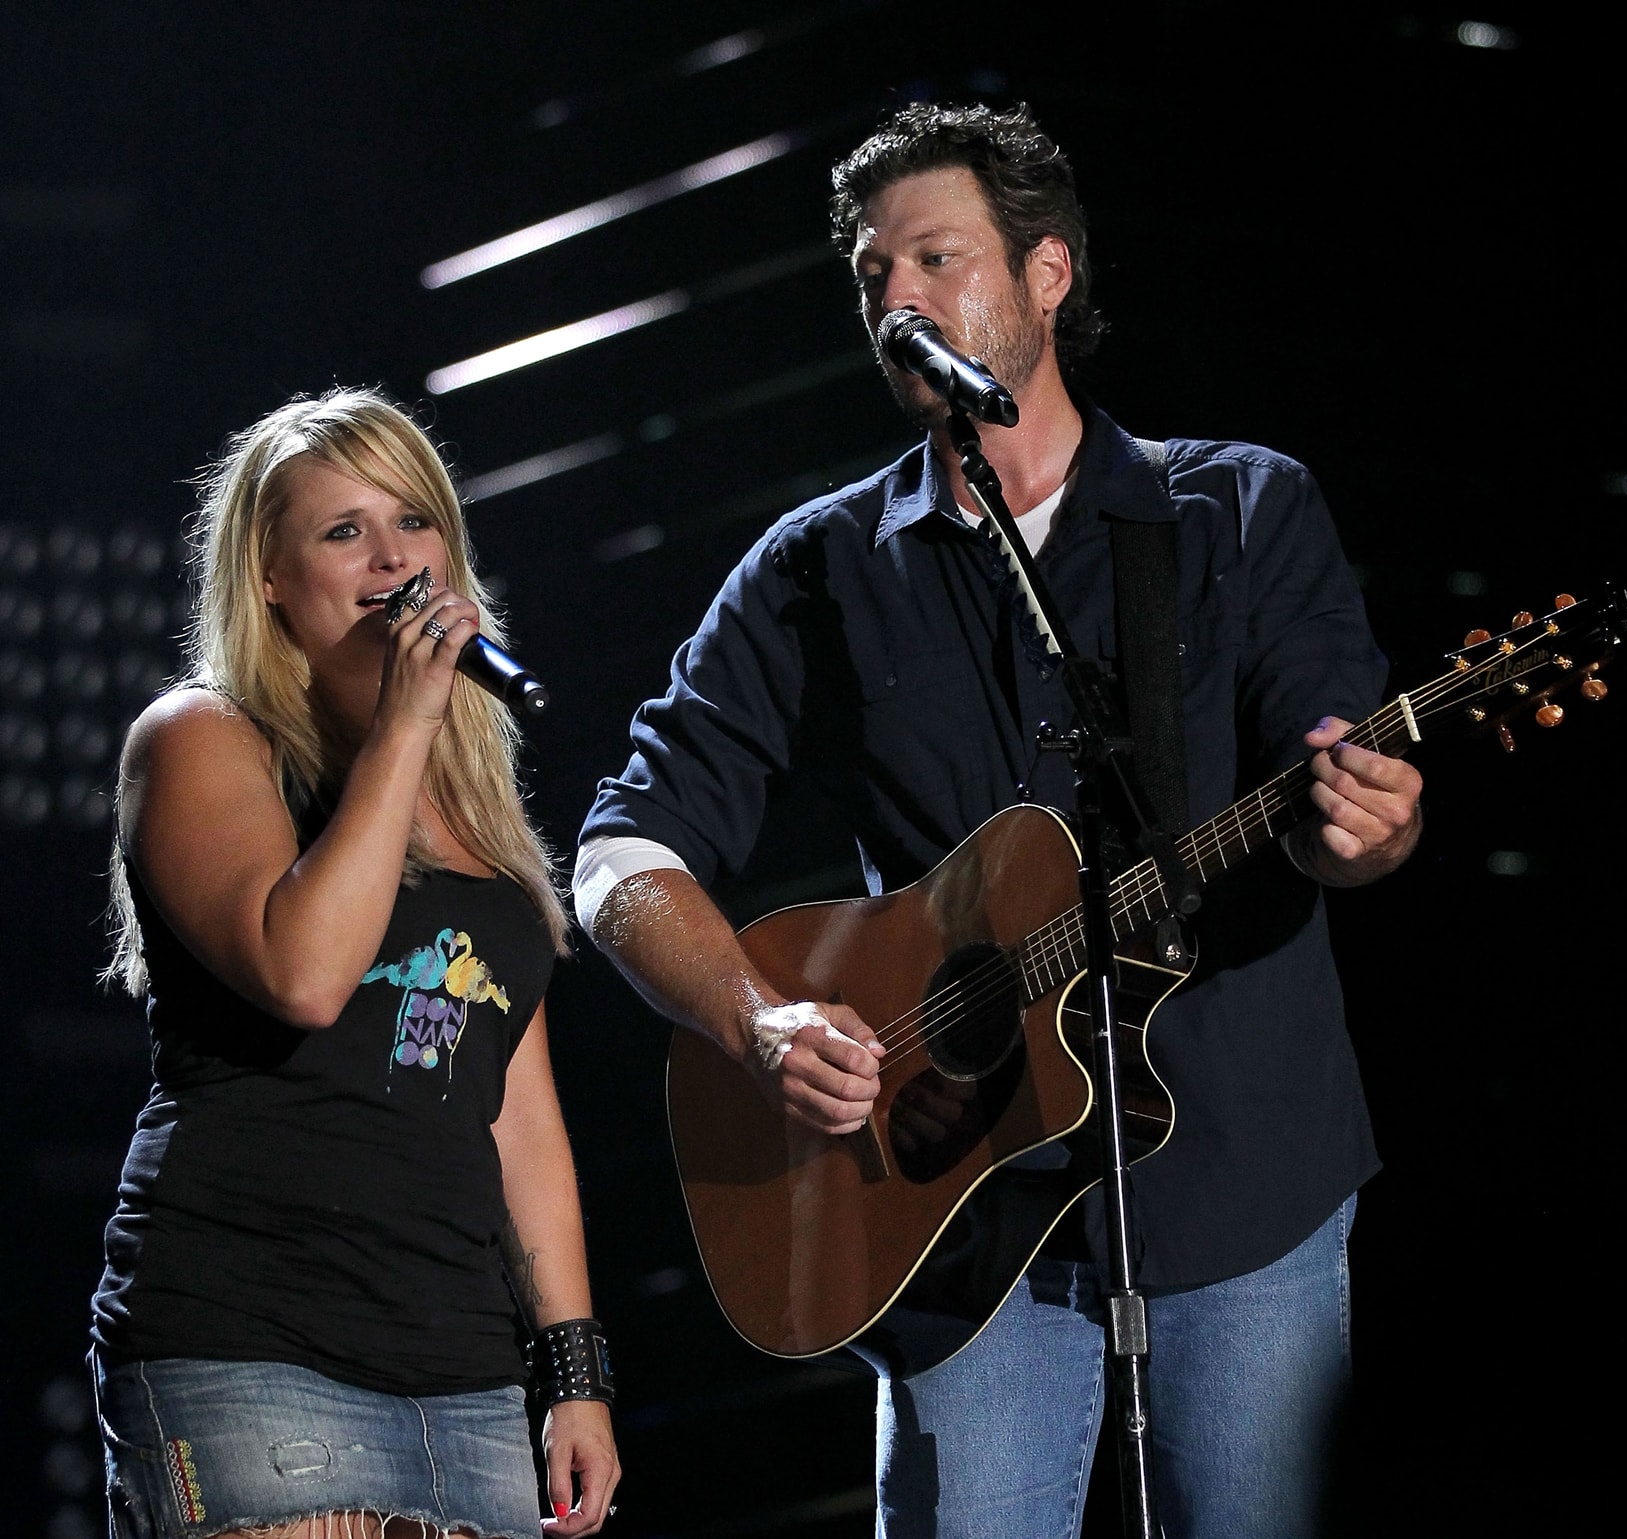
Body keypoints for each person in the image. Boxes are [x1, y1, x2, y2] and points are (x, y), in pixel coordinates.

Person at [574, 102, 1421, 1539]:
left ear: (1048, 275)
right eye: (870, 276)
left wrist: (1370, 822)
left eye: (935, 259)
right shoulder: (817, 571)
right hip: (953, 1221)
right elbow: (618, 849)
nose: (895, 298)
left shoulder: (1234, 510)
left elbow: (1349, 791)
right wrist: (755, 1020)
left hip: (1241, 1173)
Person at [91, 390, 620, 1539]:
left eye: (414, 523)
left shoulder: (474, 808)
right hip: (250, 1339)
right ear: (270, 576)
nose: (393, 558)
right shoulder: (200, 741)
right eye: (344, 533)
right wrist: (402, 727)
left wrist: (572, 1369)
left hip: (465, 1373)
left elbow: (512, 1111)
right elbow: (306, 974)